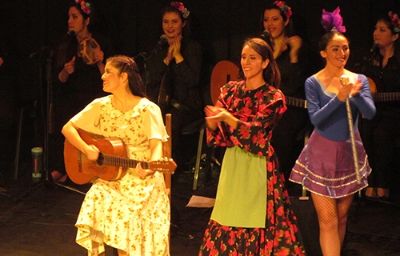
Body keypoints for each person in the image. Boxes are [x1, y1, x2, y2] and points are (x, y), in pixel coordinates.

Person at [198, 36, 305, 255]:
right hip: (234, 163)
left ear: (265, 63)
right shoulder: (230, 90)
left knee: (257, 219)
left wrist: (228, 119)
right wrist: (213, 121)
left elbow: (258, 134)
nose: (246, 62)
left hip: (258, 165)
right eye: (243, 57)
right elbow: (217, 131)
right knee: (228, 214)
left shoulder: (273, 97)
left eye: (253, 58)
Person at [62, 55, 170, 255]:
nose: (102, 76)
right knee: (95, 198)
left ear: (124, 77)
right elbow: (68, 128)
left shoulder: (147, 109)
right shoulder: (100, 105)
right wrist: (87, 149)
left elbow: (157, 146)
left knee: (130, 214)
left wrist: (150, 166)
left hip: (141, 179)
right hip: (112, 176)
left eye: (108, 72)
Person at [289, 7, 376, 256]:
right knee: (327, 220)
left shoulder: (358, 78)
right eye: (336, 49)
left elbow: (369, 113)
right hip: (321, 157)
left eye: (345, 48)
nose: (342, 53)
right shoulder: (313, 82)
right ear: (323, 53)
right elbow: (317, 119)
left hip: (349, 156)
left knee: (340, 217)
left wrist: (356, 95)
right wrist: (339, 97)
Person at [50, 0, 112, 183]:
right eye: (69, 17)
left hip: (95, 95)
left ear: (87, 20)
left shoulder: (100, 42)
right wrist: (65, 71)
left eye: (75, 17)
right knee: (63, 113)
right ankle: (65, 166)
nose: (70, 21)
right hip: (72, 95)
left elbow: (109, 79)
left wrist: (101, 60)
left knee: (90, 113)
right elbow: (59, 80)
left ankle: (85, 169)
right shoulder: (66, 45)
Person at [144, 1, 203, 178]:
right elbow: (151, 79)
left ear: (183, 23)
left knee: (170, 121)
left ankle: (168, 173)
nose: (169, 26)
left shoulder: (193, 47)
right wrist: (166, 59)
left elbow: (192, 80)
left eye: (174, 22)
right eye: (166, 22)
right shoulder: (158, 48)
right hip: (162, 103)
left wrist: (178, 56)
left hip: (186, 106)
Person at [262, 0, 310, 183]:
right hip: (267, 106)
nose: (270, 24)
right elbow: (260, 78)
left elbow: (295, 84)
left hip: (291, 107)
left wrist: (293, 55)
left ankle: (277, 183)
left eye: (275, 19)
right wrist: (274, 55)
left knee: (279, 130)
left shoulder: (296, 45)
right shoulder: (262, 48)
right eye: (266, 20)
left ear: (285, 21)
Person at [359, 11, 400, 200]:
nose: (376, 33)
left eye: (382, 30)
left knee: (382, 134)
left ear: (395, 36)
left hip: (394, 111)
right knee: (364, 131)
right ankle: (370, 182)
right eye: (375, 29)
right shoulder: (370, 58)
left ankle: (383, 184)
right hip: (374, 110)